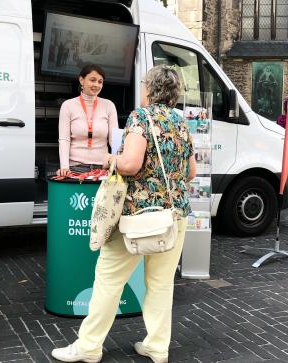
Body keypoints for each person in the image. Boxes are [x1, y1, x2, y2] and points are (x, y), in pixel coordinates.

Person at [52, 65, 197, 363]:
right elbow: (191, 172)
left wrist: (109, 158)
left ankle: (89, 347)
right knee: (160, 283)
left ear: (150, 88)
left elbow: (130, 164)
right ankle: (157, 347)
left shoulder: (140, 117)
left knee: (108, 278)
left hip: (138, 216)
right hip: (175, 215)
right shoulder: (180, 121)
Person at [57, 64, 118, 177]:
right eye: (92, 80)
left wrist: (118, 164)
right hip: (75, 168)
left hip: (103, 169)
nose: (96, 84)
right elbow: (64, 139)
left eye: (100, 82)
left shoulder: (109, 105)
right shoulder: (68, 105)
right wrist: (64, 167)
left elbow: (114, 140)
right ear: (81, 80)